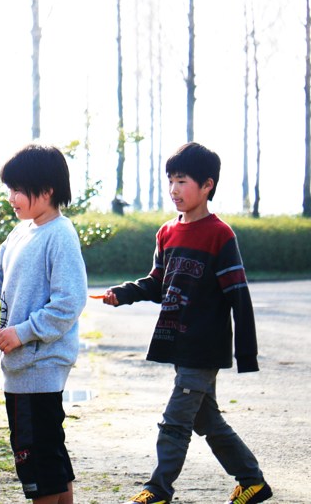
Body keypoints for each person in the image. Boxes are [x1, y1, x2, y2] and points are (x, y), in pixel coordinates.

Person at [102, 142, 272, 504]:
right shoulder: (167, 233)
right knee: (206, 420)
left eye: (182, 181)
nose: (174, 190)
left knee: (175, 420)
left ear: (207, 185)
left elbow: (238, 295)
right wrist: (124, 293)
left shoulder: (220, 235)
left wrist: (247, 354)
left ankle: (158, 490)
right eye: (170, 181)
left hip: (204, 347)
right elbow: (158, 284)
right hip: (179, 344)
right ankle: (253, 482)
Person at [0, 143, 88, 504]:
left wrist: (22, 333)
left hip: (40, 364)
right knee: (49, 459)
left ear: (47, 190)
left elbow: (69, 301)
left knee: (35, 462)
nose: (11, 197)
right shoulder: (21, 234)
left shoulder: (60, 235)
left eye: (18, 189)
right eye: (9, 189)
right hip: (22, 366)